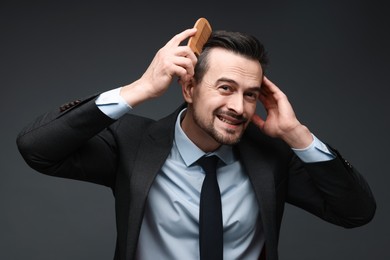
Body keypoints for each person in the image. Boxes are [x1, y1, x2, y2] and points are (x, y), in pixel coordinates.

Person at [17, 27, 376, 260]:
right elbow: (37, 148)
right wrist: (139, 90)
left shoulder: (271, 155)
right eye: (225, 88)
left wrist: (297, 134)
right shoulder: (134, 143)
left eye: (251, 95)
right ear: (189, 88)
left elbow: (355, 212)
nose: (238, 106)